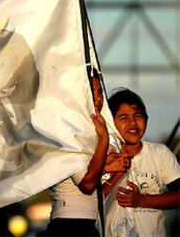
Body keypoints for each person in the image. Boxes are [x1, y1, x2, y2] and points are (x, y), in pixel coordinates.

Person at [102, 88, 180, 236]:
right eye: (123, 117)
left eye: (138, 116)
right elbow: (90, 201)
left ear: (146, 119)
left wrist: (141, 200)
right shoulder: (103, 157)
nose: (132, 123)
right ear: (110, 124)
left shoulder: (159, 153)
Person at [44, 68, 111, 236]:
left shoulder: (93, 129)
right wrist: (104, 140)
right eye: (90, 91)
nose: (98, 98)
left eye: (100, 91)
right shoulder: (66, 131)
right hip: (70, 224)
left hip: (88, 222)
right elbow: (88, 184)